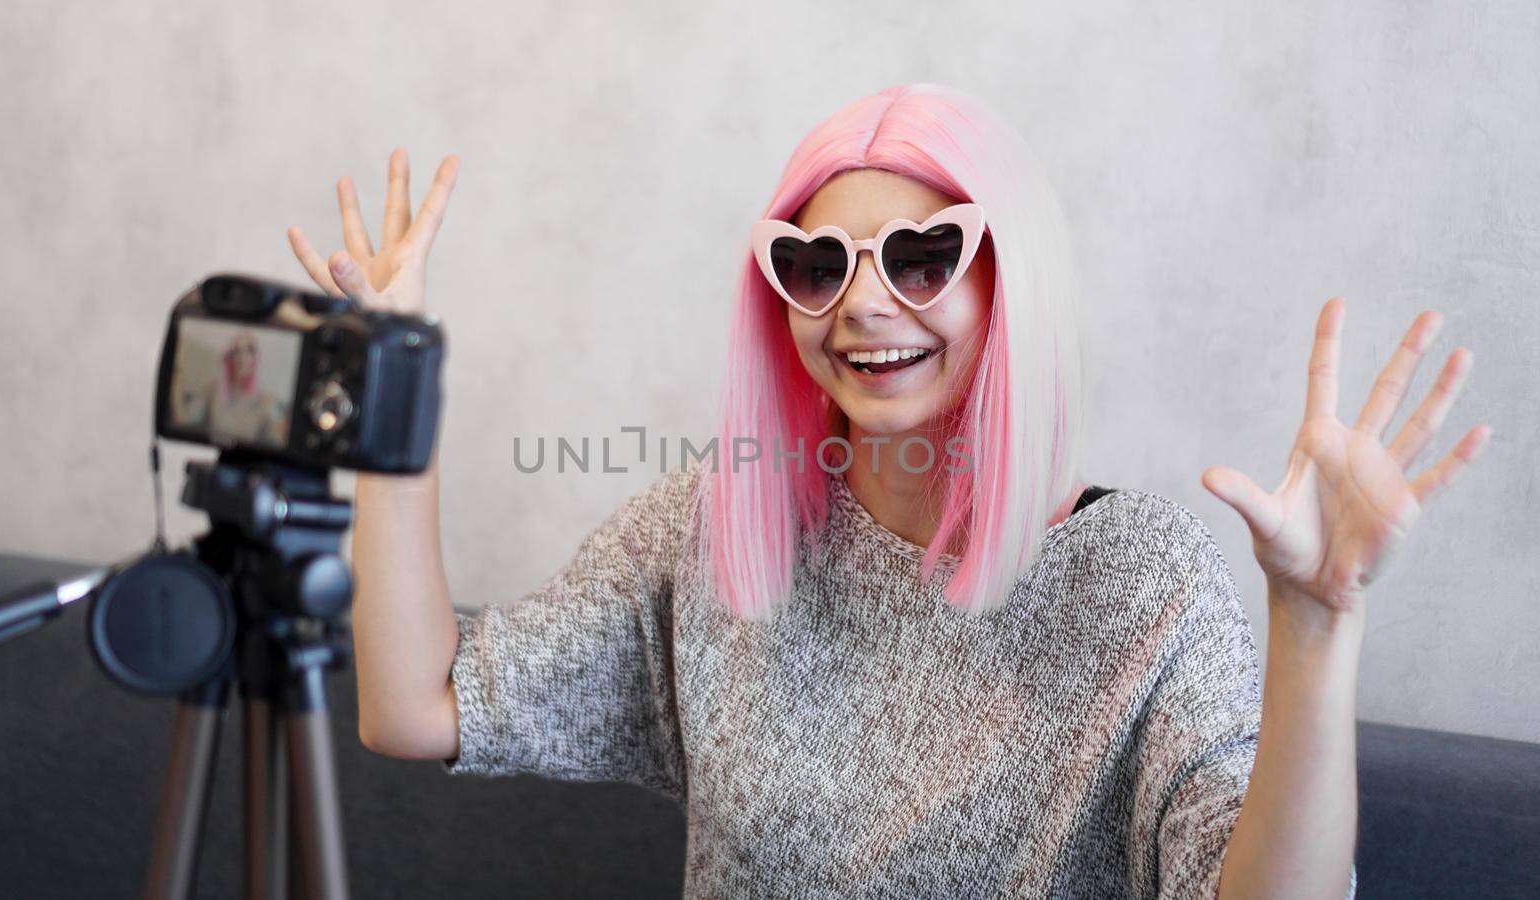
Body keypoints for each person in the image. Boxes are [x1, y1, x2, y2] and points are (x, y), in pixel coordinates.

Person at [285, 84, 1491, 898]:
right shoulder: (725, 525)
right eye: (815, 266)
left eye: (923, 258)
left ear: (1006, 287)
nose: (864, 304)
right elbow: (414, 706)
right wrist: (393, 387)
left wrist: (1316, 621)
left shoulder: (1143, 585)